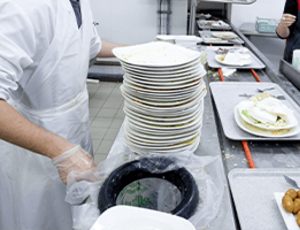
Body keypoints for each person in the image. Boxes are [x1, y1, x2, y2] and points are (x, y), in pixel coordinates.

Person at [0, 0, 124, 229]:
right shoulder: (26, 6)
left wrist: (135, 53)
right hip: (35, 151)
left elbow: (88, 44)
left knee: (72, 217)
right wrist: (59, 151)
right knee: (39, 219)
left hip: (73, 130)